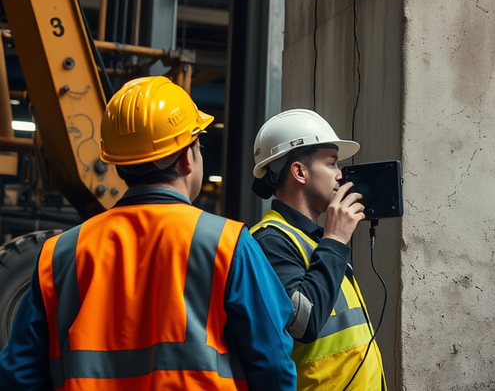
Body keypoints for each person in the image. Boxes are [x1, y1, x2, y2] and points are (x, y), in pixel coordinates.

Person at [0, 76, 296, 390]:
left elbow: (18, 377)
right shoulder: (229, 244)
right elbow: (274, 366)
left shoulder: (58, 254)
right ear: (187, 159)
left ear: (117, 163)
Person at [250, 109, 385, 391]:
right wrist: (335, 241)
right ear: (300, 171)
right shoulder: (270, 240)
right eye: (332, 164)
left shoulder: (312, 239)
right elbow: (303, 323)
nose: (340, 175)